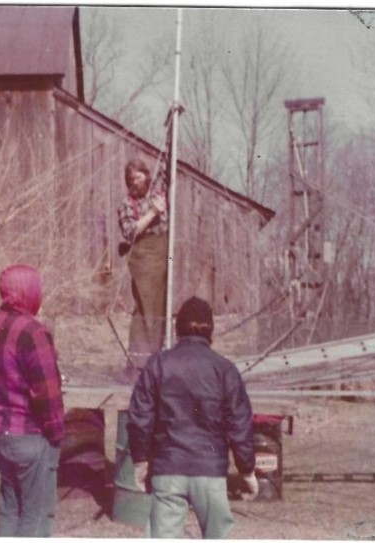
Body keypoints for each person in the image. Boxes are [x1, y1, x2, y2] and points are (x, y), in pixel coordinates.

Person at [126, 296, 259, 539]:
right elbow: (239, 423)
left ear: (178, 329)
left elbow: (140, 417)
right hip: (210, 470)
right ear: (211, 330)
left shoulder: (158, 365)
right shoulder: (224, 369)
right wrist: (247, 469)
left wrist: (140, 461)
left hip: (168, 468)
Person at [0, 264, 65, 537]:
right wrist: (56, 434)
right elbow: (47, 394)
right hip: (29, 437)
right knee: (36, 516)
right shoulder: (34, 332)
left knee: (10, 510)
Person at [116, 158, 169, 378]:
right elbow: (130, 231)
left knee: (162, 308)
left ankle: (159, 360)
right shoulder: (127, 204)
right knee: (147, 310)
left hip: (163, 253)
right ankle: (140, 365)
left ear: (146, 176)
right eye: (130, 180)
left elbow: (166, 167)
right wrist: (153, 213)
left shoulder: (158, 192)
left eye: (138, 177)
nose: (134, 183)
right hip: (144, 258)